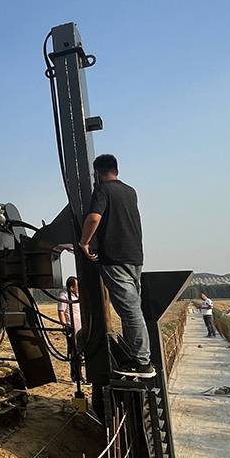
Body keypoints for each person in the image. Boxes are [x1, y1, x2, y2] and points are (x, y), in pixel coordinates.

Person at [79, 154, 155, 378]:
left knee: (130, 312)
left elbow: (94, 218)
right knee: (132, 309)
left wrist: (84, 242)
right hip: (134, 257)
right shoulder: (130, 191)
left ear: (97, 173)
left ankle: (143, 363)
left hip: (114, 258)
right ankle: (135, 357)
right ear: (116, 170)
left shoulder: (102, 190)